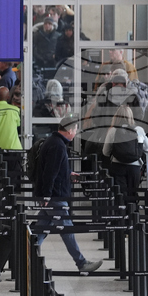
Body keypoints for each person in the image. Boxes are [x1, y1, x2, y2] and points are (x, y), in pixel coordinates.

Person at [33, 113, 103, 273]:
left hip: (52, 195)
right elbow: (49, 173)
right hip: (55, 196)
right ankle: (82, 263)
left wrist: (68, 174)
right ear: (70, 130)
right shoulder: (57, 146)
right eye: (76, 129)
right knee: (67, 231)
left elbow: (54, 169)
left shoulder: (54, 142)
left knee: (39, 231)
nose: (76, 132)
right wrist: (46, 195)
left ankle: (20, 256)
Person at [101, 103, 148, 203]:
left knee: (120, 194)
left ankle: (122, 215)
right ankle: (133, 215)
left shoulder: (113, 130)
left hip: (118, 166)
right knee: (133, 192)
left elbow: (105, 151)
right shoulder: (139, 130)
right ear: (131, 116)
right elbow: (147, 148)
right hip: (135, 167)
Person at [0, 87, 24, 188]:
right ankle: (12, 199)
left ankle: (2, 200)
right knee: (13, 176)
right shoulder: (15, 110)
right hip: (14, 148)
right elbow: (18, 127)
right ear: (8, 97)